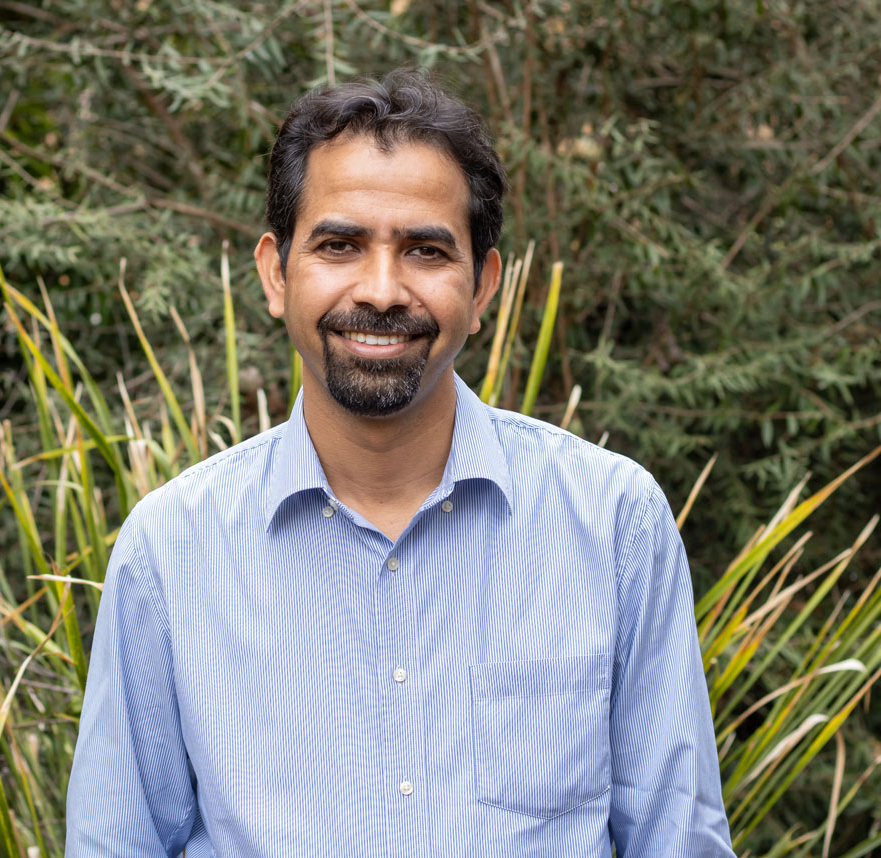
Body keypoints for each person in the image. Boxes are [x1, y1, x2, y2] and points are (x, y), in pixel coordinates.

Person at [66, 68, 736, 857]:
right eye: (339, 245)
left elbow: (676, 838)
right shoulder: (171, 550)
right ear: (276, 274)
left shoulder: (614, 522)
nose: (382, 291)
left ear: (482, 285)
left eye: (425, 250)